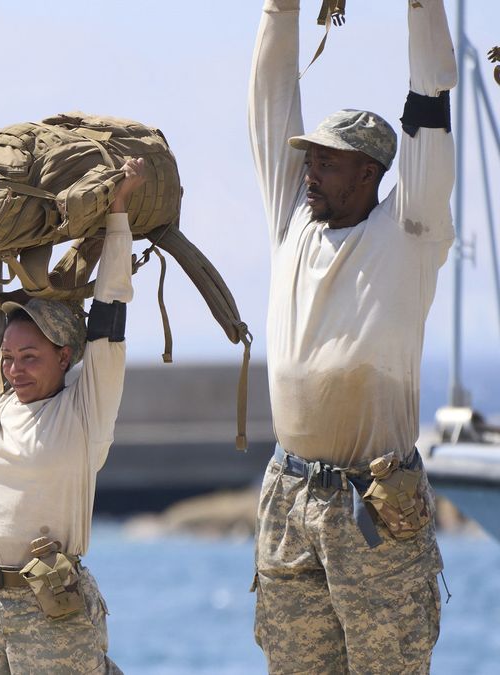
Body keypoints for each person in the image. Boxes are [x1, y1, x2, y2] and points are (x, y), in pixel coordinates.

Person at [247, 0, 456, 671]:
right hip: (289, 497)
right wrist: (282, 7)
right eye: (308, 162)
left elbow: (429, 108)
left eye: (326, 163)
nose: (309, 172)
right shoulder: (293, 222)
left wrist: (421, 6)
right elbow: (272, 96)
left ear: (368, 173)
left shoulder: (409, 233)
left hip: (376, 505)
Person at [0, 159, 142, 674]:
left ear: (65, 356)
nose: (14, 369)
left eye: (30, 357)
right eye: (8, 357)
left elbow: (109, 315)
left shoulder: (84, 410)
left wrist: (118, 213)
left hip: (50, 604)